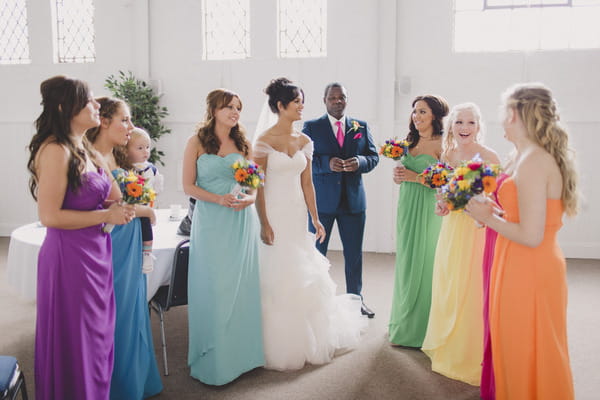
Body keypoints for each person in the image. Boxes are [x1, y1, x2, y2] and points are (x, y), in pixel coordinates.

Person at [465, 83, 578, 400]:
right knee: (512, 341)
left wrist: (489, 219)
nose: (501, 120)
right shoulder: (522, 156)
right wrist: (490, 212)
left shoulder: (534, 161)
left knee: (529, 345)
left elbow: (531, 235)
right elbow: (519, 214)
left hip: (531, 266)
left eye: (504, 113)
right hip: (512, 259)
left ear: (514, 114)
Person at [27, 76, 134, 400]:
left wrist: (119, 204)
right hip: (68, 258)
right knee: (76, 340)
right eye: (89, 100)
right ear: (65, 107)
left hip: (95, 254)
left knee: (97, 339)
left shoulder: (84, 148)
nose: (97, 105)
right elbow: (50, 216)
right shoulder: (55, 151)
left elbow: (111, 195)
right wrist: (106, 216)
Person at [254, 78, 367, 371]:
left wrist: (315, 218)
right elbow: (259, 187)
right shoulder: (263, 142)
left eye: (303, 101)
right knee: (276, 272)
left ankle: (310, 336)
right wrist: (264, 221)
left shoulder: (305, 141)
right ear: (281, 106)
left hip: (295, 214)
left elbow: (308, 184)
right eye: (297, 102)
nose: (302, 106)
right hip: (274, 213)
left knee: (302, 269)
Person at [182, 88, 264, 385]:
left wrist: (250, 200)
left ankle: (243, 356)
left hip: (241, 221)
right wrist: (217, 201)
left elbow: (254, 185)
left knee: (241, 286)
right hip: (212, 222)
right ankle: (215, 360)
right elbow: (188, 186)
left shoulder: (244, 143)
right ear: (214, 110)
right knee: (215, 287)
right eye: (228, 107)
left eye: (238, 108)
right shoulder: (196, 142)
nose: (234, 112)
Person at [87, 97, 163, 399]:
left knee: (132, 309)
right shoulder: (91, 158)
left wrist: (144, 207)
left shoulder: (118, 156)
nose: (131, 127)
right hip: (112, 242)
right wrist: (146, 211)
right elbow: (106, 206)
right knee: (114, 313)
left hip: (130, 239)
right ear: (103, 121)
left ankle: (135, 380)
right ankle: (116, 385)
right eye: (126, 119)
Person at [421, 103, 500, 385]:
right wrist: (442, 204)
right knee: (450, 282)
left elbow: (496, 198)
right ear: (451, 126)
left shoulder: (490, 156)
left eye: (470, 123)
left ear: (479, 126)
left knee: (473, 285)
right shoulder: (449, 154)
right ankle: (449, 344)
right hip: (453, 227)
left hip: (477, 229)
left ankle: (473, 351)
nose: (464, 128)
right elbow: (444, 193)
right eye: (459, 123)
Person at [302, 82, 379, 318]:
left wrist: (360, 162)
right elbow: (303, 160)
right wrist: (326, 163)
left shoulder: (360, 126)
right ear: (324, 100)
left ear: (347, 99)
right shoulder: (311, 127)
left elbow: (373, 156)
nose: (337, 101)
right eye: (332, 98)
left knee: (353, 254)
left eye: (341, 97)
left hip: (353, 203)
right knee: (316, 253)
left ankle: (356, 300)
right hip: (322, 203)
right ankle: (314, 301)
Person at [388, 94, 449, 347]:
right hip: (407, 205)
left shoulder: (443, 144)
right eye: (415, 111)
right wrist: (399, 176)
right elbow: (406, 174)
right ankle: (403, 323)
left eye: (422, 111)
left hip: (427, 206)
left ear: (435, 115)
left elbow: (445, 179)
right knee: (406, 259)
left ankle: (423, 329)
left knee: (425, 261)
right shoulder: (408, 142)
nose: (417, 116)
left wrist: (413, 177)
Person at [126, 127, 164, 273]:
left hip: (146, 204)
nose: (145, 151)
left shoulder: (151, 168)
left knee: (147, 227)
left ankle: (147, 253)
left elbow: (156, 186)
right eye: (140, 148)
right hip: (132, 206)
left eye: (147, 147)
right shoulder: (126, 168)